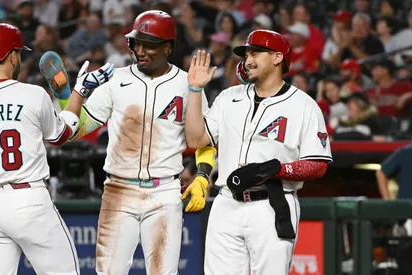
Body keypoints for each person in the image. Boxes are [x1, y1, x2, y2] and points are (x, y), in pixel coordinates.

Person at [40, 10, 217, 275]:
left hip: (164, 191)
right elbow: (80, 127)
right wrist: (69, 98)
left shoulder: (187, 83)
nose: (141, 50)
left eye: (150, 44)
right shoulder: (116, 78)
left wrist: (202, 177)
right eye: (136, 43)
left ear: (168, 47)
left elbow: (203, 141)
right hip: (118, 189)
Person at [0, 23, 115, 275]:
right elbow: (62, 135)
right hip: (28, 200)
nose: (19, 58)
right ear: (12, 56)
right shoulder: (32, 94)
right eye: (19, 53)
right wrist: (79, 92)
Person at [185, 30, 333, 274]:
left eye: (255, 53)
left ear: (277, 58)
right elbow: (195, 139)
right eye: (246, 54)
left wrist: (278, 170)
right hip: (225, 202)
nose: (247, 60)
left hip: (272, 202)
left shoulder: (304, 105)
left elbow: (318, 164)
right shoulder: (229, 97)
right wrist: (195, 91)